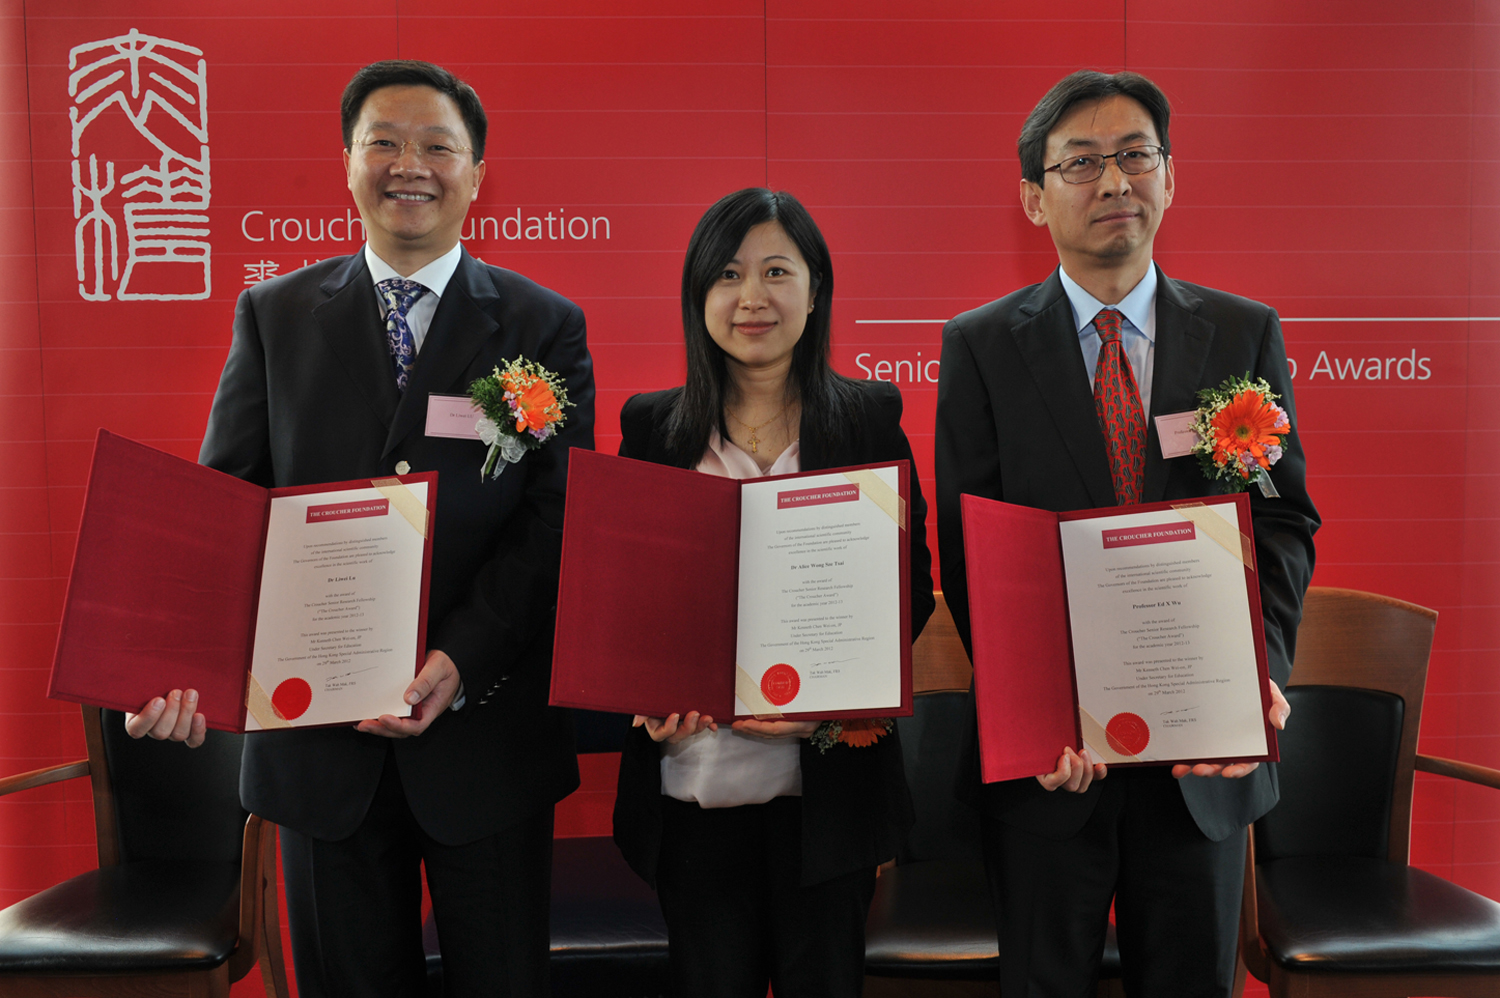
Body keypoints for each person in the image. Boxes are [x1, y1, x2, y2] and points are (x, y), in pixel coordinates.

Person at [124, 60, 594, 997]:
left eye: (436, 146)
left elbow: (557, 520)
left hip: (484, 739)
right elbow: (226, 511)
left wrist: (459, 659)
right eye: (384, 141)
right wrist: (179, 664)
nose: (408, 165)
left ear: (476, 172)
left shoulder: (543, 324)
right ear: (347, 162)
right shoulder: (274, 316)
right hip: (319, 748)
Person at [935, 70, 1318, 997]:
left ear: (1170, 178)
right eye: (1081, 162)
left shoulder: (1242, 334)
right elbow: (973, 552)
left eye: (1135, 155)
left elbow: (1281, 522)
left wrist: (1255, 676)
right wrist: (1037, 721)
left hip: (1201, 762)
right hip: (1055, 772)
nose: (1114, 181)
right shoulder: (982, 346)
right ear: (1035, 197)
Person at [610, 187, 936, 998]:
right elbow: (624, 604)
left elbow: (908, 592)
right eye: (727, 274)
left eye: (776, 271)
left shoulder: (866, 420)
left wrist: (828, 699)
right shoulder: (651, 429)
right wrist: (642, 695)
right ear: (698, 297)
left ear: (815, 289)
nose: (751, 296)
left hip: (823, 803)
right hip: (691, 791)